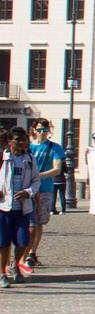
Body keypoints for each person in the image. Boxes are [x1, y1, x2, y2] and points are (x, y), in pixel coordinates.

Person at [0, 127, 41, 287]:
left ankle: (15, 265)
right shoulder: (3, 158)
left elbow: (36, 180)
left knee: (23, 240)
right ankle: (2, 273)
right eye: (18, 139)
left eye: (24, 139)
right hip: (4, 207)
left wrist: (28, 192)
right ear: (10, 141)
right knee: (3, 243)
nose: (22, 142)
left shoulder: (29, 159)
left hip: (23, 208)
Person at [22, 121, 65, 274]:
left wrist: (39, 176)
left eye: (45, 130)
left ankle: (32, 254)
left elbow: (57, 169)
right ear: (34, 130)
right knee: (27, 221)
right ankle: (23, 255)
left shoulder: (55, 147)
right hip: (27, 189)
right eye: (40, 130)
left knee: (39, 221)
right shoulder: (28, 147)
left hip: (45, 188)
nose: (42, 132)